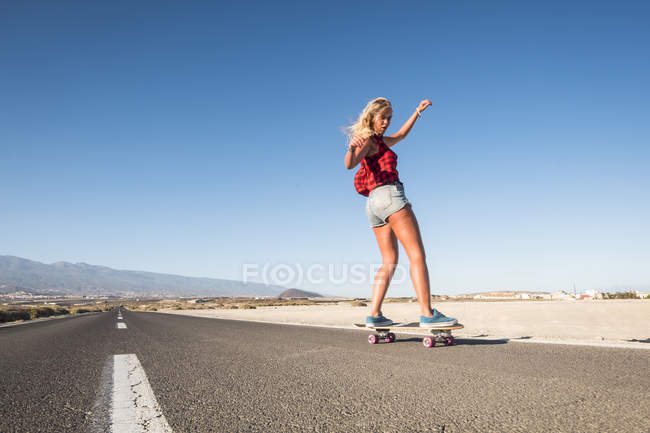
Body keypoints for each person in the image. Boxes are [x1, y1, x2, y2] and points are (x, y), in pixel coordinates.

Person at [344, 97, 458, 328]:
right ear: (371, 117)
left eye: (389, 118)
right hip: (389, 195)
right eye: (382, 117)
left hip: (373, 204)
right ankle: (427, 313)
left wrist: (417, 112)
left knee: (388, 261)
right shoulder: (367, 140)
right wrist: (351, 148)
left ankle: (374, 314)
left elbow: (402, 135)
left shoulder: (380, 141)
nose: (386, 122)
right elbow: (350, 163)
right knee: (417, 255)